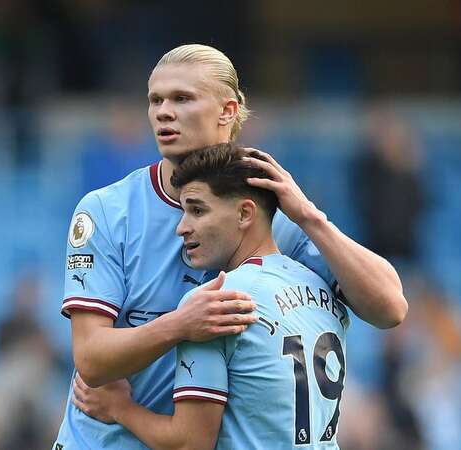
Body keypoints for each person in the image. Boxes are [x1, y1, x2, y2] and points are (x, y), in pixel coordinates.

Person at [55, 44, 407, 450]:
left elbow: (390, 308)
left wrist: (309, 216)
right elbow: (92, 359)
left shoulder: (269, 216)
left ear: (228, 110)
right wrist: (180, 323)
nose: (162, 112)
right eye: (155, 100)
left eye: (182, 98)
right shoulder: (107, 210)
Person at [73, 143, 351, 449]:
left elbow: (190, 443)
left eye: (197, 210)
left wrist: (120, 409)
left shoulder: (215, 305)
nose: (181, 228)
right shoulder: (321, 287)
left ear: (245, 213)